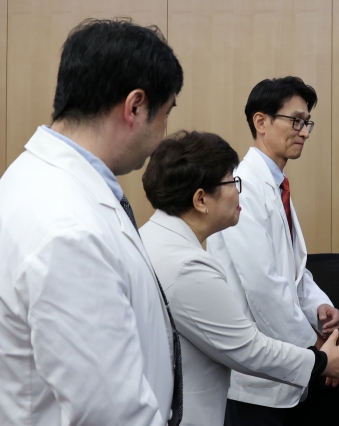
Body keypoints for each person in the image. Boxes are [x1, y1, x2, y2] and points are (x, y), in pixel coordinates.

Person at [0, 19, 184, 426]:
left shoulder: (37, 181)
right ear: (135, 106)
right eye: (166, 113)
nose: (163, 133)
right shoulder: (69, 228)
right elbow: (111, 414)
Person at [139, 131, 339, 426]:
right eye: (232, 182)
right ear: (200, 199)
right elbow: (247, 348)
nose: (239, 191)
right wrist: (321, 361)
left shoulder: (153, 236)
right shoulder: (187, 266)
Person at [206, 76, 339, 425]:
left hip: (282, 370)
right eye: (296, 121)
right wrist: (315, 353)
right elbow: (263, 286)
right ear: (261, 121)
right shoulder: (244, 186)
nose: (305, 131)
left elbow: (293, 271)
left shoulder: (276, 184)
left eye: (307, 122)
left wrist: (319, 306)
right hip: (256, 377)